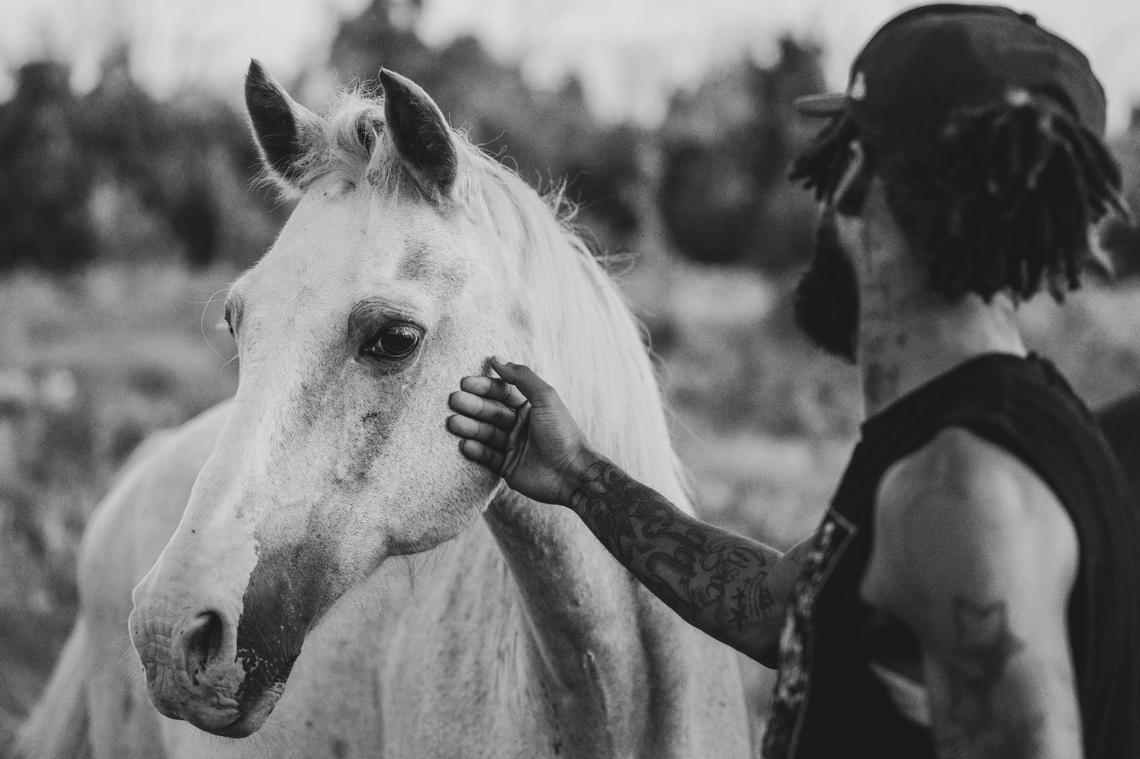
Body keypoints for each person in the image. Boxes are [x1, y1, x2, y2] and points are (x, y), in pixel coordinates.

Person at [446, 5, 1140, 758]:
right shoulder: (991, 435)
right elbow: (780, 608)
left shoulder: (961, 491)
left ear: (853, 179)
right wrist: (580, 473)